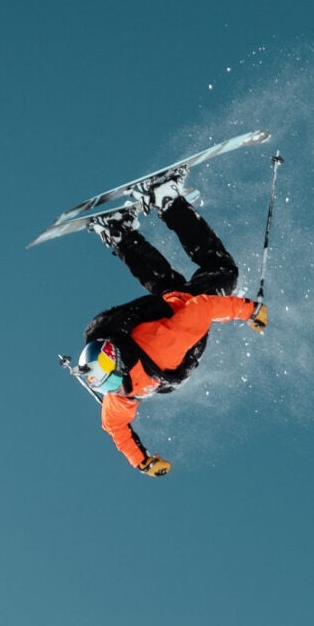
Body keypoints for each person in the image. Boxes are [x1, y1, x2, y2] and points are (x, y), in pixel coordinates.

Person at [71, 187, 267, 474]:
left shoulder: (130, 380)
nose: (109, 389)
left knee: (216, 274)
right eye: (104, 382)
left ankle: (155, 210)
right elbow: (115, 427)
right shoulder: (121, 391)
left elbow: (203, 308)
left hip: (174, 322)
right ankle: (125, 230)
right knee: (189, 280)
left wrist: (250, 311)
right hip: (172, 327)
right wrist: (141, 461)